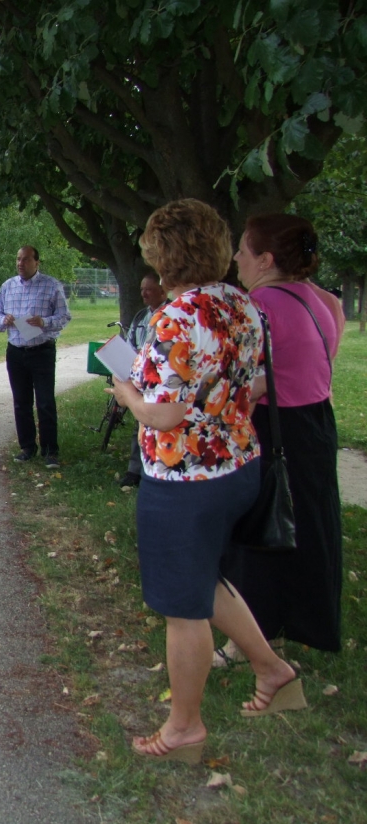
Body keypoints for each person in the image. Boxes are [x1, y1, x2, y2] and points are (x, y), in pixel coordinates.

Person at [109, 199, 304, 764]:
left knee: (183, 606)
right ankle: (272, 670)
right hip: (236, 465)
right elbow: (253, 382)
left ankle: (184, 728)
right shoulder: (241, 304)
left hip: (184, 481)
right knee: (205, 582)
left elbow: (164, 414)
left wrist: (125, 393)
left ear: (164, 256)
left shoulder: (177, 316)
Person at [215, 213, 343, 666]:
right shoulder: (318, 299)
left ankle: (247, 640)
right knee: (301, 527)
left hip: (274, 428)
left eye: (243, 249)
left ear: (266, 259)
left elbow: (244, 383)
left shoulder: (258, 306)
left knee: (255, 533)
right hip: (314, 425)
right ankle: (292, 624)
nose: (236, 258)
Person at [0, 245, 71, 468]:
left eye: (26, 259)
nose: (21, 263)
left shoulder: (51, 285)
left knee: (45, 402)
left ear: (37, 262)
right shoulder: (8, 286)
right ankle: (27, 447)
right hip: (16, 351)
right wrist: (4, 320)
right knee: (21, 402)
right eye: (18, 259)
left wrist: (44, 321)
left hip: (42, 350)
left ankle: (50, 450)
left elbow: (64, 316)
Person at [119, 274, 167, 487]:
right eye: (142, 289)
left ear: (162, 291)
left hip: (160, 381)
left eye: (149, 289)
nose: (144, 294)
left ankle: (153, 469)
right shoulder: (141, 316)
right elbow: (130, 345)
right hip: (139, 378)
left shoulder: (171, 315)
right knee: (138, 425)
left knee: (155, 424)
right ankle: (134, 471)